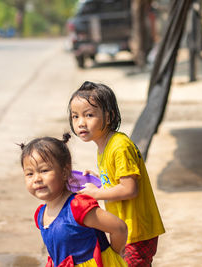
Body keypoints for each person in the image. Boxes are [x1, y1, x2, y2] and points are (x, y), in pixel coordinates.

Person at [68, 81, 165, 267]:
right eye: (75, 116)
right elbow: (116, 181)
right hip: (126, 229)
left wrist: (95, 194)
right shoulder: (104, 145)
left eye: (89, 115)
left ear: (110, 116)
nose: (81, 122)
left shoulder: (119, 146)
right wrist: (97, 178)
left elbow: (129, 189)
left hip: (136, 230)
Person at [20, 133, 128, 267]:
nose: (36, 179)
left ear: (65, 172)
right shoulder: (40, 215)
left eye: (44, 170)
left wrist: (113, 257)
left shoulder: (78, 207)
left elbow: (119, 228)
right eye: (29, 173)